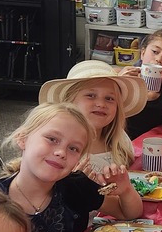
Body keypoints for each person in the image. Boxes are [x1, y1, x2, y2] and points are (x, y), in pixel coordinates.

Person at [0, 103, 142, 232]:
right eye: (52, 139)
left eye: (73, 148)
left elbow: (128, 213)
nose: (61, 152)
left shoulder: (76, 187)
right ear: (23, 138)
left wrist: (125, 190)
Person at [38, 60, 147, 213]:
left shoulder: (120, 141)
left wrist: (125, 189)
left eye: (109, 98)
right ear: (69, 102)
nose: (101, 104)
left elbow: (126, 209)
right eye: (91, 95)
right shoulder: (59, 152)